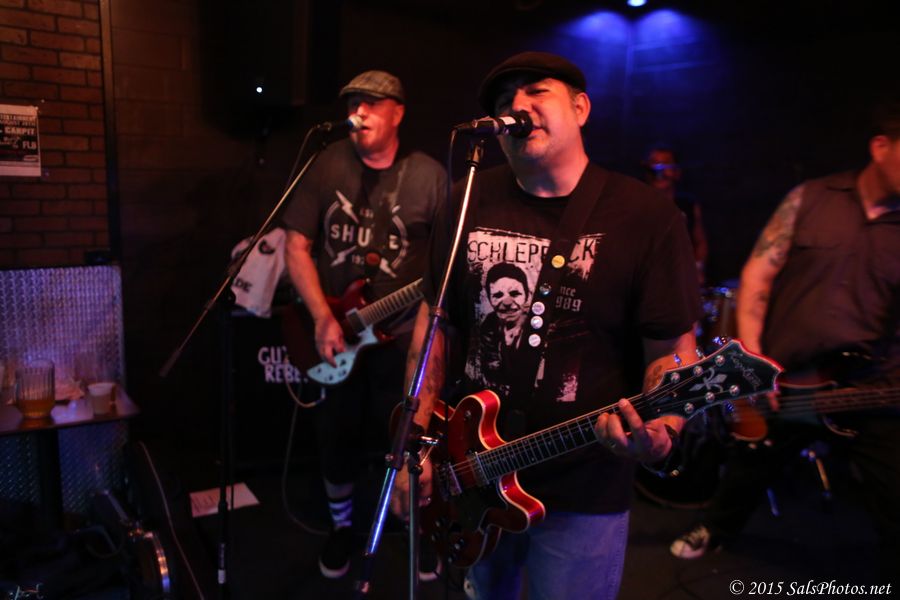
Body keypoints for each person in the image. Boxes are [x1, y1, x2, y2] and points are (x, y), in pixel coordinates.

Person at [390, 52, 701, 599]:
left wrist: (662, 431)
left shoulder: (645, 216)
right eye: (505, 99)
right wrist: (411, 444)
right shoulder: (467, 198)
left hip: (584, 484)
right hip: (473, 471)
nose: (517, 106)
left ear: (580, 108)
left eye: (537, 91)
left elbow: (671, 345)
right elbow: (435, 325)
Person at [670, 94, 900, 584]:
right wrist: (753, 362)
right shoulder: (811, 198)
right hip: (787, 377)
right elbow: (758, 275)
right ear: (881, 147)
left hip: (872, 384)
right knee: (751, 460)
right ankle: (714, 528)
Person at [282, 70, 446, 579]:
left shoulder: (429, 176)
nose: (360, 112)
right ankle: (341, 529)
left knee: (407, 440)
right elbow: (296, 245)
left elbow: (447, 263)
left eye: (373, 103)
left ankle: (417, 529)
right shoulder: (325, 163)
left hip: (403, 338)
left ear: (398, 113)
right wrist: (321, 318)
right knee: (336, 438)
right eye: (354, 102)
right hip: (339, 334)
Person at [643, 144, 709, 283]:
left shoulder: (687, 205)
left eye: (665, 164)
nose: (659, 170)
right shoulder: (638, 204)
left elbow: (700, 241)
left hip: (681, 278)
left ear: (676, 172)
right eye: (654, 164)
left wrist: (697, 267)